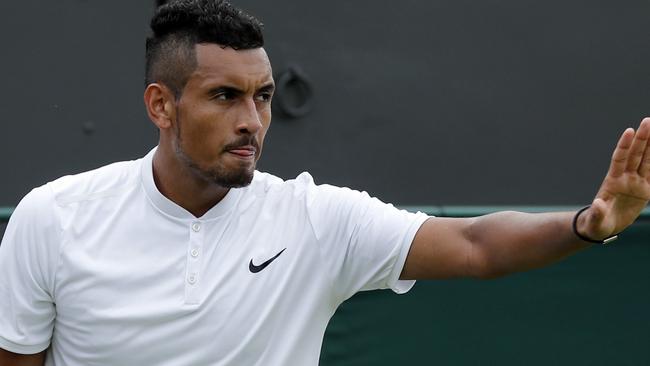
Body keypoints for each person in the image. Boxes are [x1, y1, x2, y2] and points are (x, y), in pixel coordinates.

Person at [0, 0, 648, 365]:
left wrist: (587, 226)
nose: (251, 120)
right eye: (224, 96)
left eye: (262, 97)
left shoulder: (315, 220)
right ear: (161, 106)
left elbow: (476, 245)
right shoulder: (53, 218)